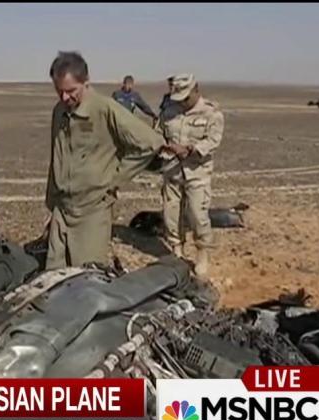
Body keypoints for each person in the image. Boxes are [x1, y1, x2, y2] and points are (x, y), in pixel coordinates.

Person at [45, 51, 166, 269]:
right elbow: (57, 156)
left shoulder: (105, 109)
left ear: (86, 82)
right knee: (54, 277)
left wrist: (113, 179)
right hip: (62, 210)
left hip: (91, 211)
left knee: (86, 277)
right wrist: (52, 204)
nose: (64, 98)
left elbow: (150, 143)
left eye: (71, 91)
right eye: (58, 91)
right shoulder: (59, 111)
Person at [158, 73, 225, 278]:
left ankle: (202, 252)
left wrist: (191, 149)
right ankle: (176, 250)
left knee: (197, 214)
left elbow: (213, 140)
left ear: (196, 89)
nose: (183, 102)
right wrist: (164, 147)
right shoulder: (169, 111)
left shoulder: (211, 113)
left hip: (197, 172)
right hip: (172, 169)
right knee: (171, 212)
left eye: (186, 98)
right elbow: (159, 133)